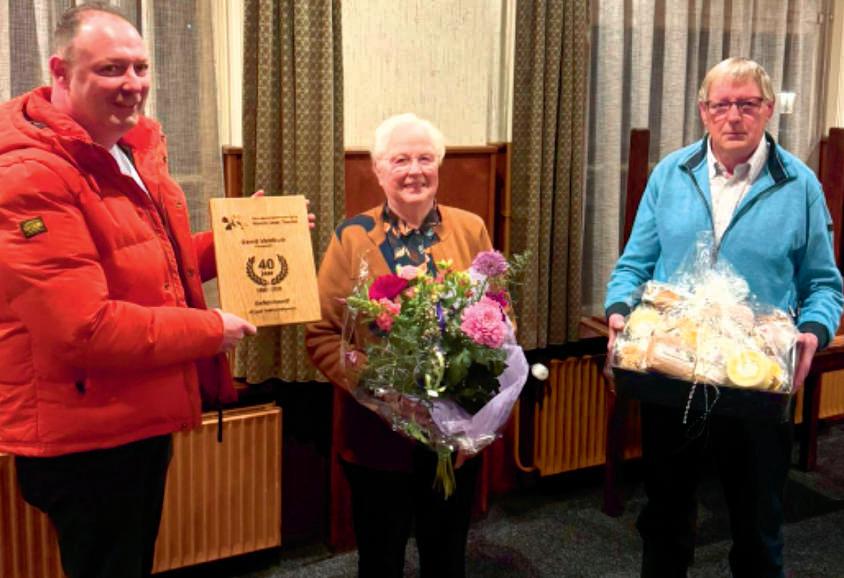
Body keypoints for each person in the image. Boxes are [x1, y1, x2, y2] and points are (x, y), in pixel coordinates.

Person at [0, 4, 260, 578]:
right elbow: (84, 329)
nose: (133, 84)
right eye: (112, 69)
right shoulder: (30, 175)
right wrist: (211, 330)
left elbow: (145, 263)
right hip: (86, 437)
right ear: (60, 72)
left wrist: (238, 240)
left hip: (132, 415)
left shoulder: (124, 150)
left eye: (141, 68)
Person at [605, 57, 843, 577]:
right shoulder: (671, 174)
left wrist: (813, 332)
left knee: (757, 526)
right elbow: (634, 265)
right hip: (671, 371)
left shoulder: (799, 184)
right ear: (703, 110)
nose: (733, 116)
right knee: (664, 520)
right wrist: (620, 310)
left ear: (768, 109)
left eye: (747, 104)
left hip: (758, 378)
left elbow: (824, 284)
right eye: (721, 104)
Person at [306, 113, 492, 578]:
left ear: (439, 165)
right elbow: (323, 334)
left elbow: (496, 322)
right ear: (378, 169)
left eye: (425, 159)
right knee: (380, 560)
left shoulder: (470, 229)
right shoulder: (351, 236)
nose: (414, 171)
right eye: (400, 160)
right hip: (376, 439)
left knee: (446, 558)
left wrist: (476, 408)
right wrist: (382, 390)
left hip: (452, 439)